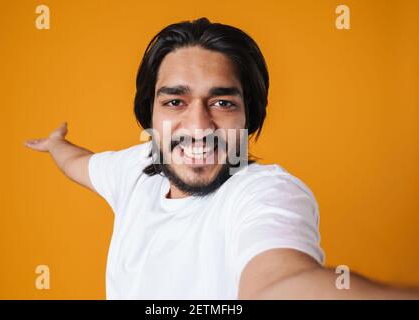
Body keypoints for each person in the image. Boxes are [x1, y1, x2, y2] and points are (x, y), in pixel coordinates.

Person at [25, 17, 418, 299]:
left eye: (222, 102)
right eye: (175, 101)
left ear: (250, 116)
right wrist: (56, 144)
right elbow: (78, 163)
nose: (198, 125)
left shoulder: (265, 193)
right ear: (149, 114)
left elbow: (280, 283)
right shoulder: (132, 170)